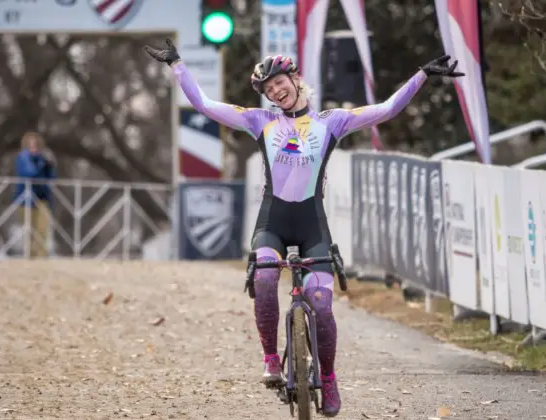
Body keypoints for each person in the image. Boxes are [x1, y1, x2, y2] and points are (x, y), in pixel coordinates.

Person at [144, 38, 463, 417]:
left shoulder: (331, 122)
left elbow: (386, 109)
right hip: (272, 221)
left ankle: (327, 377)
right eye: (268, 89)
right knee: (264, 279)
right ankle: (270, 360)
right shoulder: (259, 121)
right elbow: (204, 105)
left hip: (313, 225)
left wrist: (422, 75)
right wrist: (177, 64)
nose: (276, 91)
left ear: (295, 78)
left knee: (322, 305)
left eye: (279, 82)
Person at [15, 132, 56, 258]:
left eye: (36, 144)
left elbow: (52, 177)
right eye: (31, 144)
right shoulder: (23, 157)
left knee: (43, 228)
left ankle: (42, 255)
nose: (34, 147)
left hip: (42, 197)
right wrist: (41, 165)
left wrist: (50, 166)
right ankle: (29, 255)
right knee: (29, 228)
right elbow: (29, 173)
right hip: (26, 199)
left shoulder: (43, 157)